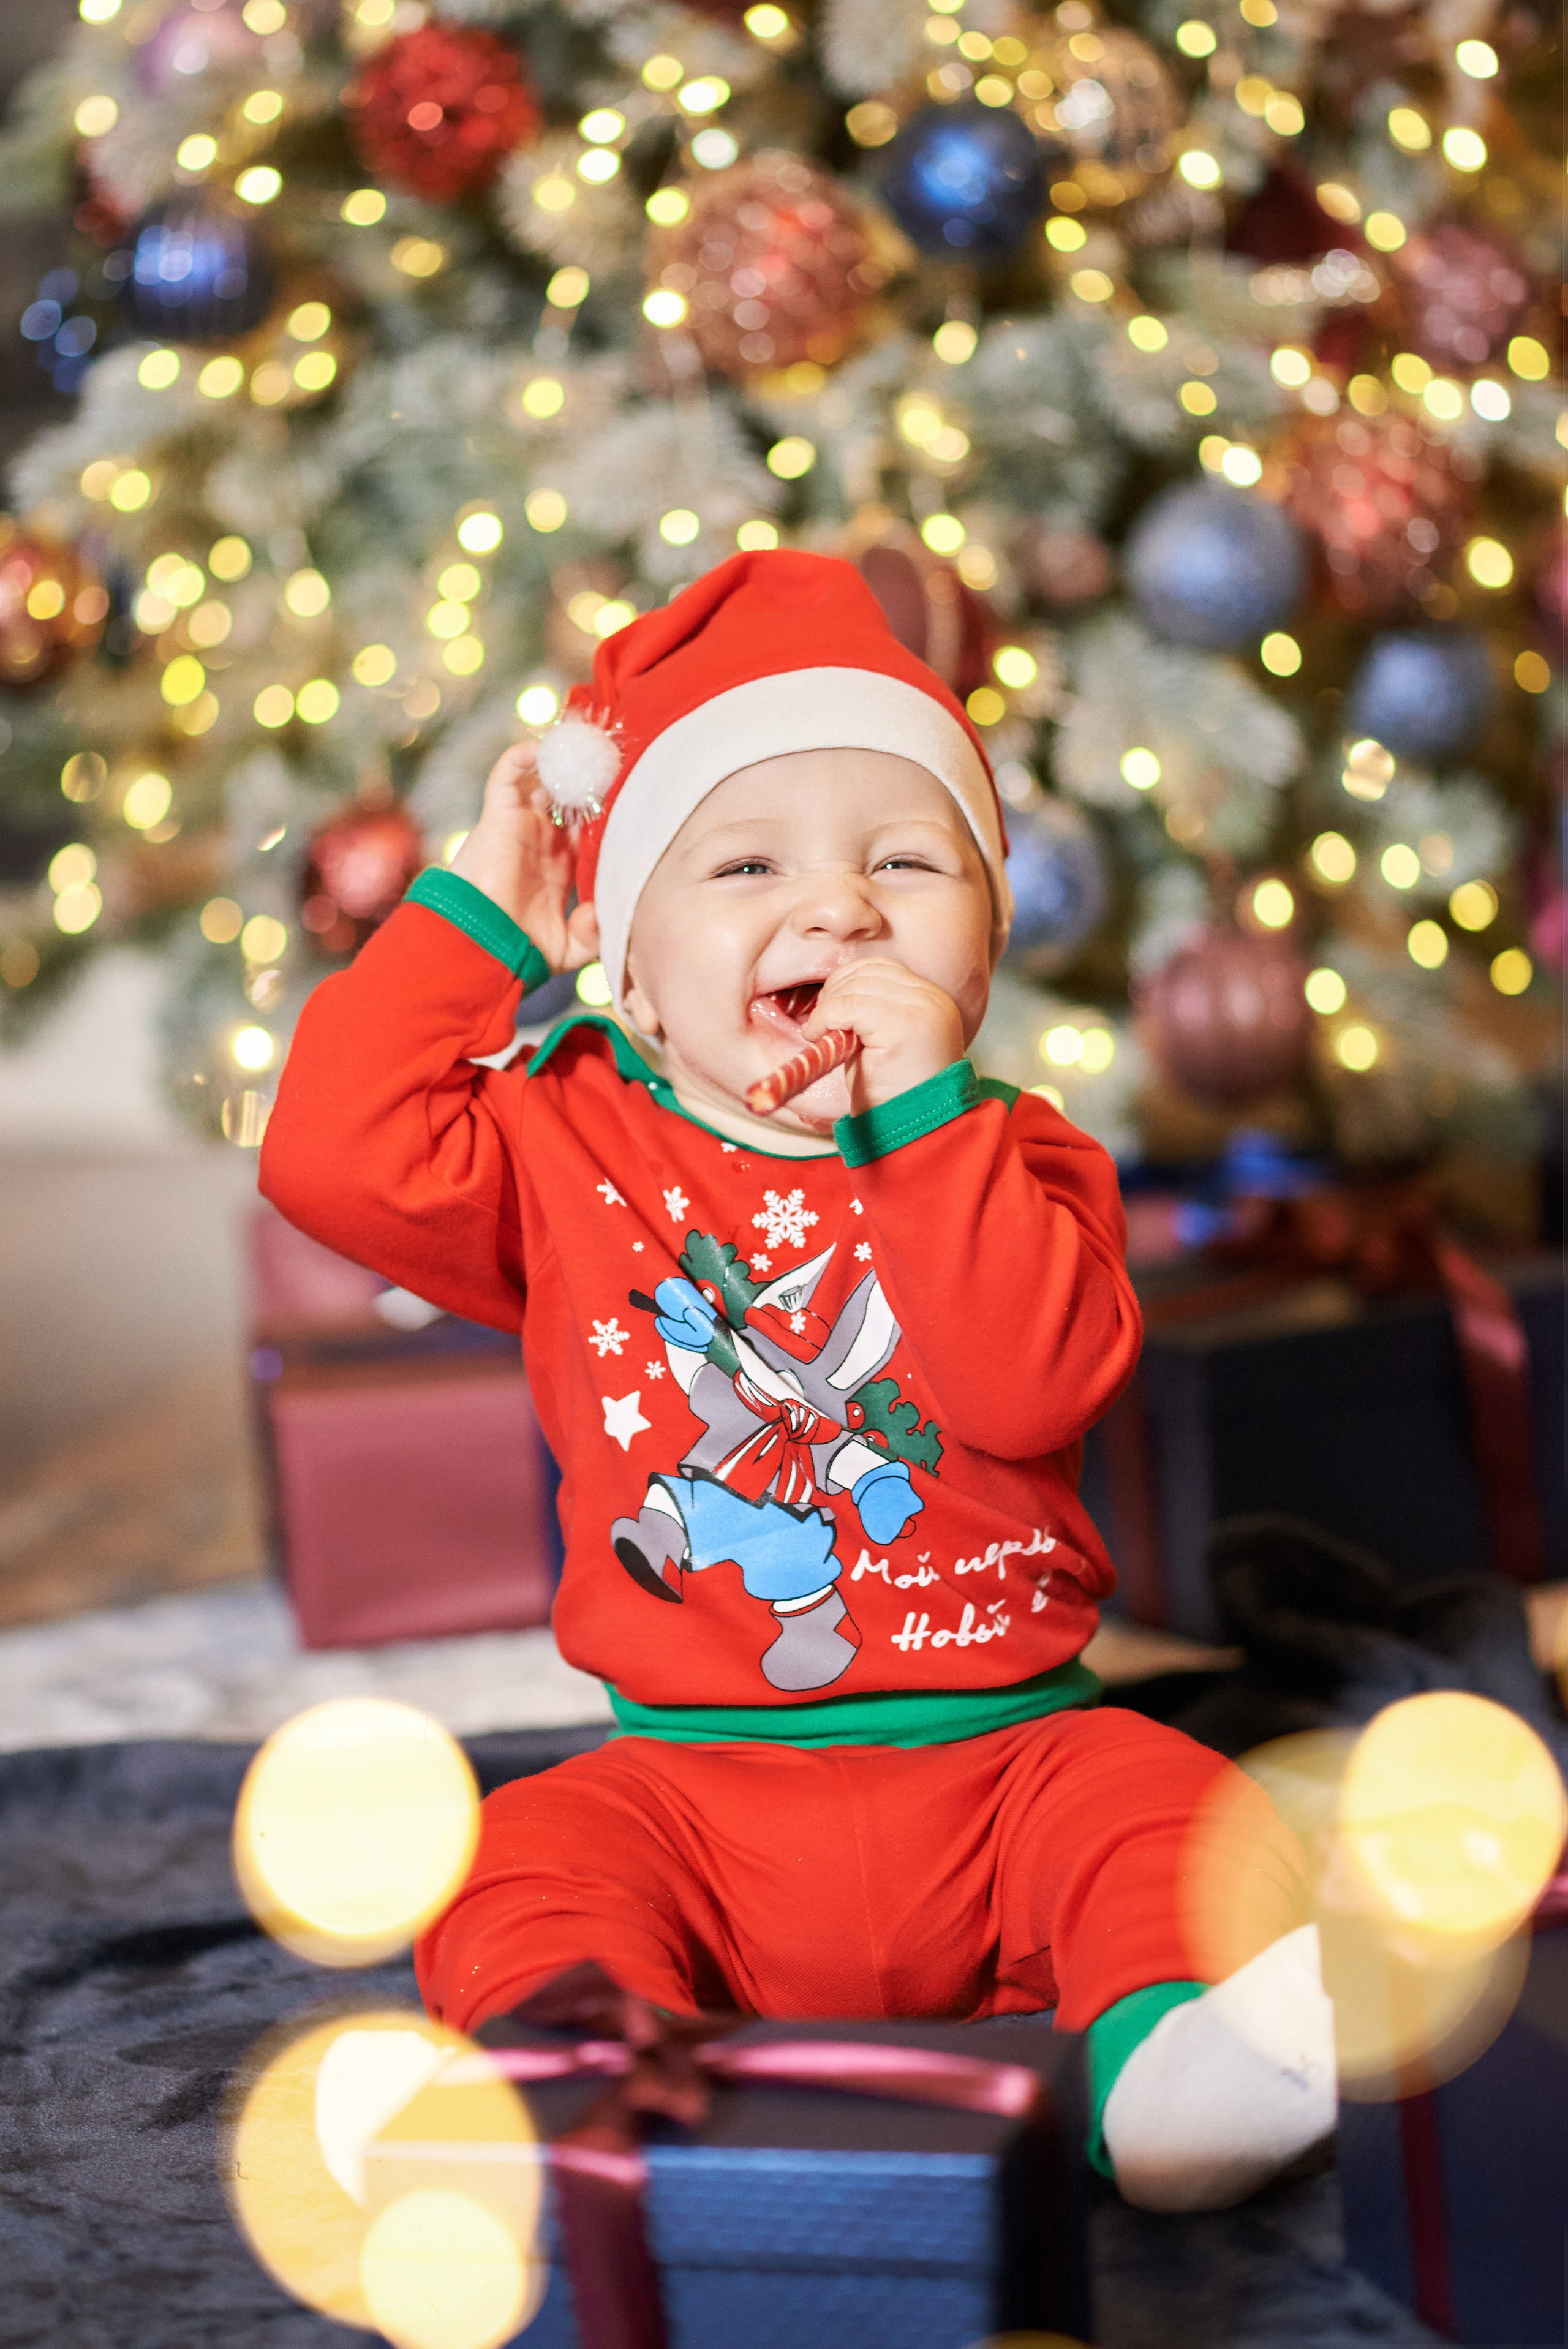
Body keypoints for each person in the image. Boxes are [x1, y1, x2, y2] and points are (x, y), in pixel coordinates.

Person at [260, 549, 1334, 2211]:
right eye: (746, 863)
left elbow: (1028, 1385)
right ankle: (584, 2073)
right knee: (526, 1858)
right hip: (694, 1787)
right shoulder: (568, 1140)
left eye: (909, 861)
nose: (838, 908)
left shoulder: (1021, 1155)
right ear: (628, 965)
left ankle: (1179, 2066)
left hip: (1007, 1760)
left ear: (988, 942)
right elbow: (331, 1156)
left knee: (1177, 1806)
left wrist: (921, 1125)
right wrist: (480, 915)